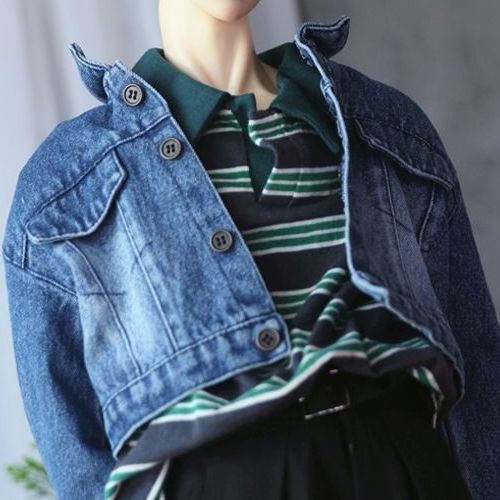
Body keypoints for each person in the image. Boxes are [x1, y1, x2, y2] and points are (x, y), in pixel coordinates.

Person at [2, 1, 498, 499]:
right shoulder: (65, 184)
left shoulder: (387, 128)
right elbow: (79, 460)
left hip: (403, 462)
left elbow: (476, 380)